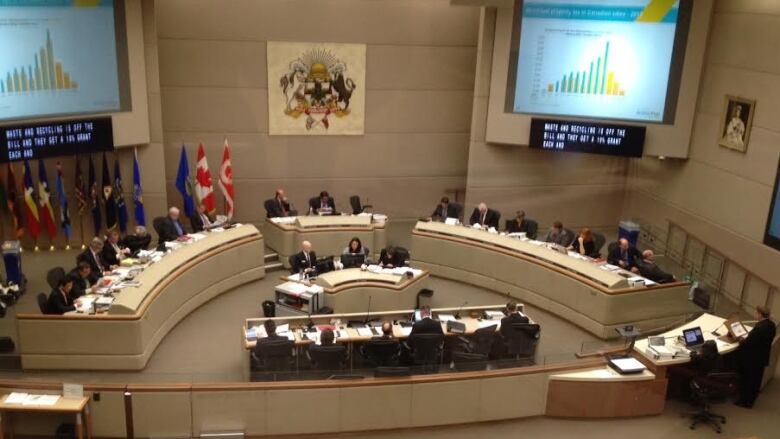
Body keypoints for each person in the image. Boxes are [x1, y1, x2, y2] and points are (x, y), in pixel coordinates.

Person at [735, 306, 777, 408]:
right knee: (756, 381)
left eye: (757, 313)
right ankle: (751, 400)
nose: (756, 315)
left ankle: (744, 402)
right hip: (762, 358)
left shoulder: (759, 327)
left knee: (747, 380)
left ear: (760, 314)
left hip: (752, 359)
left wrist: (741, 340)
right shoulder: (772, 325)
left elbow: (749, 343)